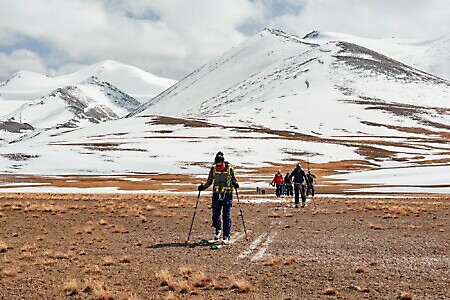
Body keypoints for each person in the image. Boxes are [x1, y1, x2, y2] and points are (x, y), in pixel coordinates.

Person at [198, 152, 239, 244]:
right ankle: (218, 229)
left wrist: (235, 184)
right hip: (216, 194)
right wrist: (203, 187)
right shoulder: (213, 169)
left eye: (220, 165)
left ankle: (226, 236)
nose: (218, 166)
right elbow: (209, 182)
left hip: (227, 194)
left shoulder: (229, 169)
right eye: (217, 165)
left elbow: (234, 180)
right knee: (215, 214)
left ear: (223, 162)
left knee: (226, 215)